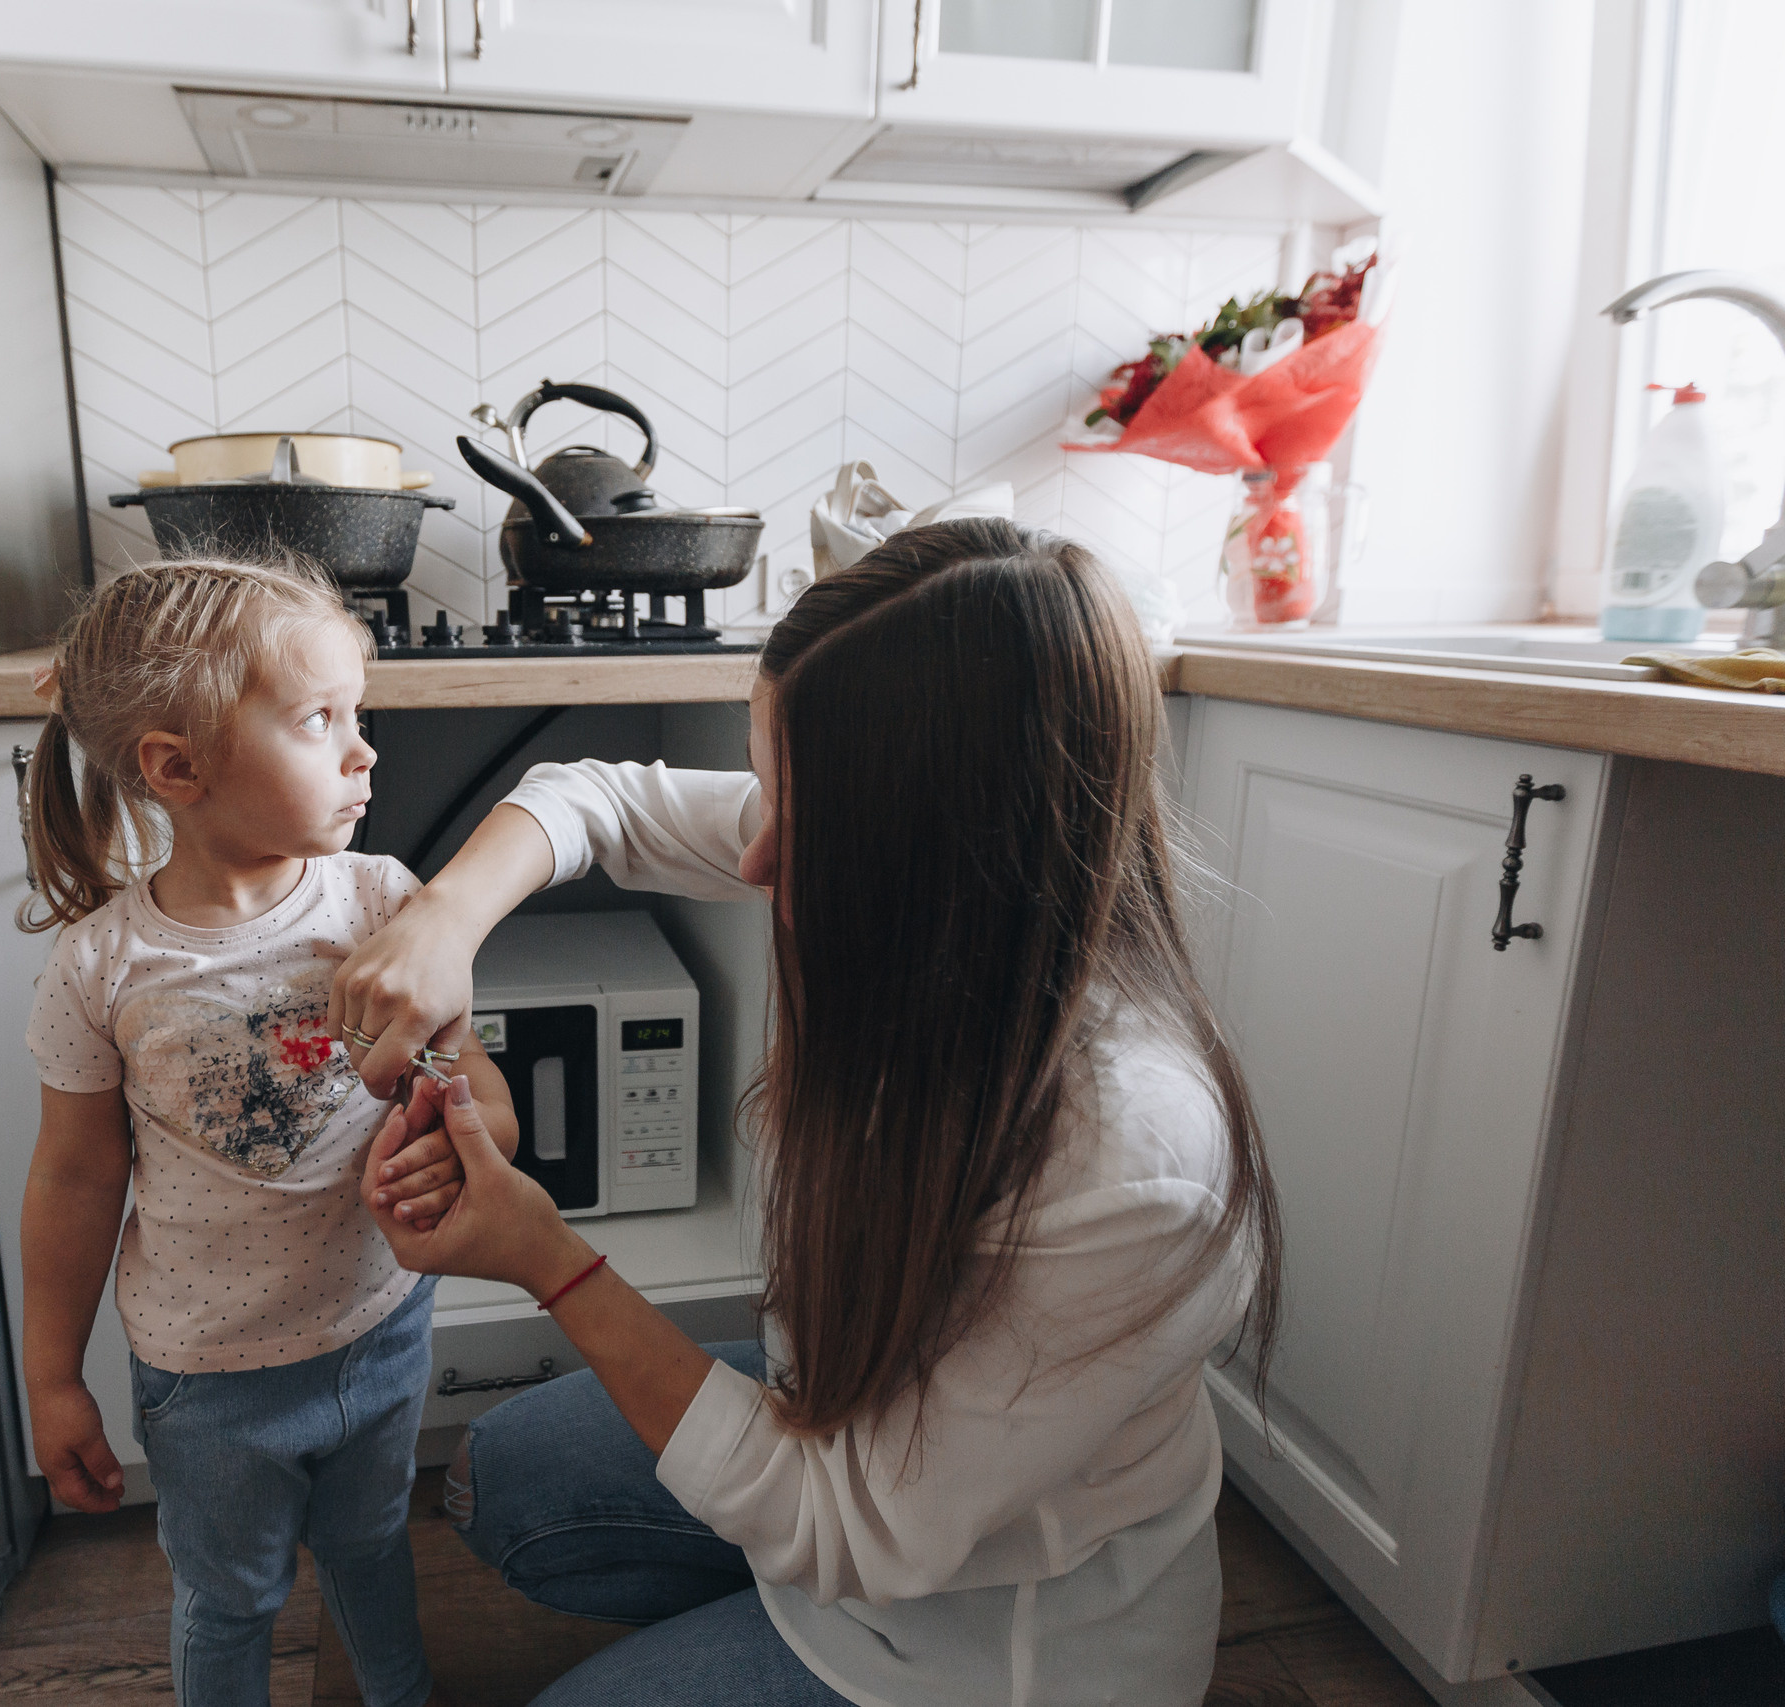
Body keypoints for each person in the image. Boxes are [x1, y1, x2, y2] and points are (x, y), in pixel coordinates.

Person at [337, 518, 1282, 1707]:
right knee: (499, 1479)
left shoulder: (1126, 1159)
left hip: (975, 1655)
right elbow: (594, 799)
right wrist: (443, 922)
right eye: (764, 787)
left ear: (957, 844)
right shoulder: (951, 898)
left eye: (806, 819)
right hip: (851, 1444)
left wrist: (547, 1258)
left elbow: (850, 1528)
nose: (754, 857)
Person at [14, 560, 516, 1707]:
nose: (364, 752)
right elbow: (75, 1179)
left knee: (372, 1544)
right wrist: (52, 1378)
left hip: (380, 1326)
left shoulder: (385, 904)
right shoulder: (101, 967)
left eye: (357, 714)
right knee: (231, 1599)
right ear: (176, 768)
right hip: (211, 1379)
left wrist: (465, 1135)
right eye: (318, 720)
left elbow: (474, 1084)